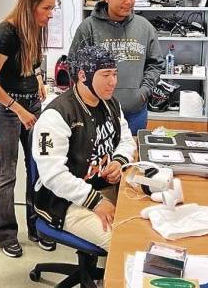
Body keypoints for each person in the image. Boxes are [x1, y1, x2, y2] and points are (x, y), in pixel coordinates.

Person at [32, 44, 136, 252]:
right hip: (65, 200)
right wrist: (95, 202)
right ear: (83, 75)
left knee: (142, 226)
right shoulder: (58, 114)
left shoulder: (110, 104)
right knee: (122, 244)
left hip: (104, 188)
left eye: (115, 74)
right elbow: (53, 176)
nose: (113, 82)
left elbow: (127, 140)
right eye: (106, 75)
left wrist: (119, 161)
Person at [0, 0, 56, 258]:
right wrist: (18, 108)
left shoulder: (34, 28)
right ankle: (6, 234)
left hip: (32, 105)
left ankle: (37, 226)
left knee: (38, 168)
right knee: (7, 172)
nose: (50, 14)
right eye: (46, 8)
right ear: (30, 7)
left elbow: (34, 61)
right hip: (8, 109)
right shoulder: (6, 33)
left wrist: (38, 80)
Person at [69, 0, 164, 135]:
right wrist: (91, 95)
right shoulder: (88, 27)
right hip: (98, 113)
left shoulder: (145, 27)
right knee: (101, 159)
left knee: (132, 157)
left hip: (135, 113)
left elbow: (156, 64)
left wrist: (144, 92)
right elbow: (74, 66)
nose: (128, 1)